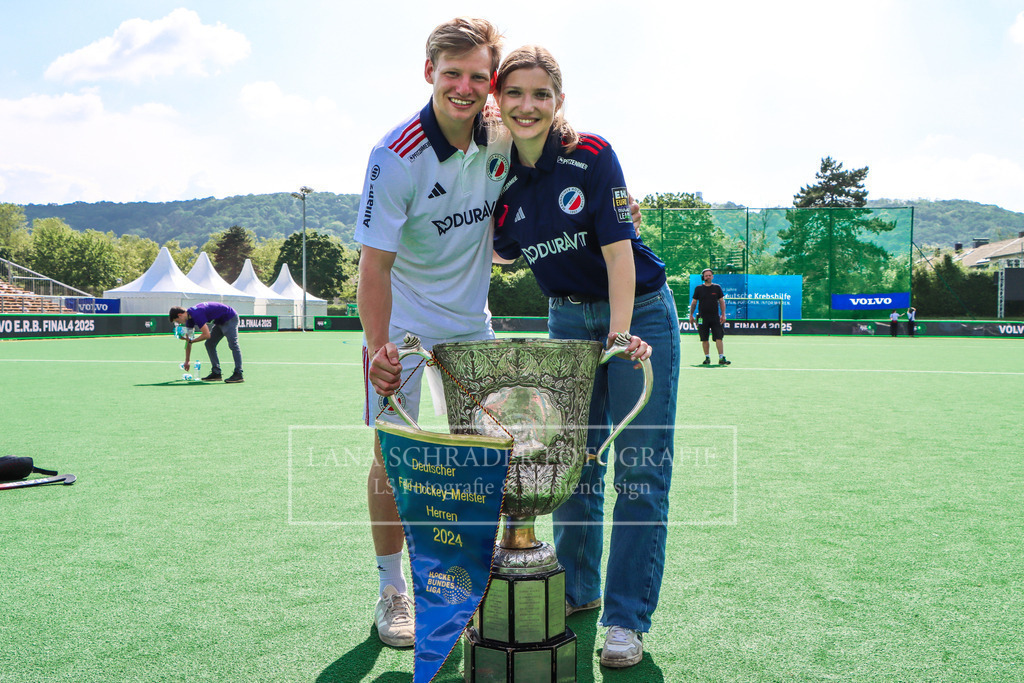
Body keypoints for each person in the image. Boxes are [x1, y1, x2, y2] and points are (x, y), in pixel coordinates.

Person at [491, 45, 680, 669]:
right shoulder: (498, 175)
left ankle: (626, 618)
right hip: (566, 319)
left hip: (637, 315)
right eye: (514, 93)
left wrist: (619, 338)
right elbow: (500, 252)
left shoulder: (592, 155)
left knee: (640, 471)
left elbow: (620, 256)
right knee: (572, 467)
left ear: (558, 100)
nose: (527, 105)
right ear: (499, 98)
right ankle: (577, 591)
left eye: (540, 93)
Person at [354, 17, 509, 649]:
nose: (465, 88)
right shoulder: (394, 155)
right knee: (392, 458)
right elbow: (373, 266)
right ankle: (394, 591)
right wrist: (378, 349)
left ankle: (469, 583)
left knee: (486, 459)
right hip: (405, 324)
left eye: (478, 76)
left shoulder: (503, 137)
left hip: (472, 325)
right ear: (429, 74)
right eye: (453, 74)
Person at [168, 303, 243, 383]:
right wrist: (187, 360)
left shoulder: (196, 314)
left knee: (233, 344)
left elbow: (206, 335)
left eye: (177, 321)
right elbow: (188, 341)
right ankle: (216, 373)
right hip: (219, 321)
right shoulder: (189, 320)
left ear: (180, 315)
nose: (179, 323)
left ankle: (238, 373)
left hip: (230, 318)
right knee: (209, 344)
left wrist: (192, 341)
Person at [689, 268, 730, 365]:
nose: (708, 277)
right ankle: (707, 358)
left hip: (715, 317)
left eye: (709, 275)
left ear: (712, 276)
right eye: (706, 275)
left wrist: (723, 314)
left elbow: (721, 301)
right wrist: (691, 315)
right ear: (703, 277)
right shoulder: (698, 288)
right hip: (702, 318)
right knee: (704, 338)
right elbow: (694, 302)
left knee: (719, 337)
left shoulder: (717, 288)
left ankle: (721, 358)